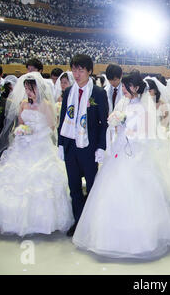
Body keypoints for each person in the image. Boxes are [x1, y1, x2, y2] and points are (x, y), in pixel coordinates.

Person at [72, 74, 170, 259]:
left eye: (126, 87)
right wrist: (117, 124)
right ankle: (109, 237)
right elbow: (120, 126)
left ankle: (140, 239)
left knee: (136, 193)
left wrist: (126, 128)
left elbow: (147, 134)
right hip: (121, 149)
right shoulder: (126, 104)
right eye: (122, 87)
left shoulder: (145, 108)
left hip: (137, 153)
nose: (123, 90)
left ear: (136, 88)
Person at [0, 72, 74, 236]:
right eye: (26, 88)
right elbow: (20, 123)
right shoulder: (23, 104)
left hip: (40, 145)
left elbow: (52, 127)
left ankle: (40, 221)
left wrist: (35, 133)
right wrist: (22, 131)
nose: (28, 92)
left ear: (38, 89)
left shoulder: (46, 104)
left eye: (31, 89)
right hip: (22, 145)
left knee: (40, 183)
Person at [58, 54, 109, 237]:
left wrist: (101, 147)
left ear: (89, 71)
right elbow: (63, 117)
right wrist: (60, 144)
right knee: (74, 188)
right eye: (74, 69)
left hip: (89, 147)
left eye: (81, 70)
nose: (77, 74)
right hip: (71, 145)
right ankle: (78, 222)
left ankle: (93, 222)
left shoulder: (98, 93)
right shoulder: (68, 92)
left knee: (92, 186)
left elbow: (104, 123)